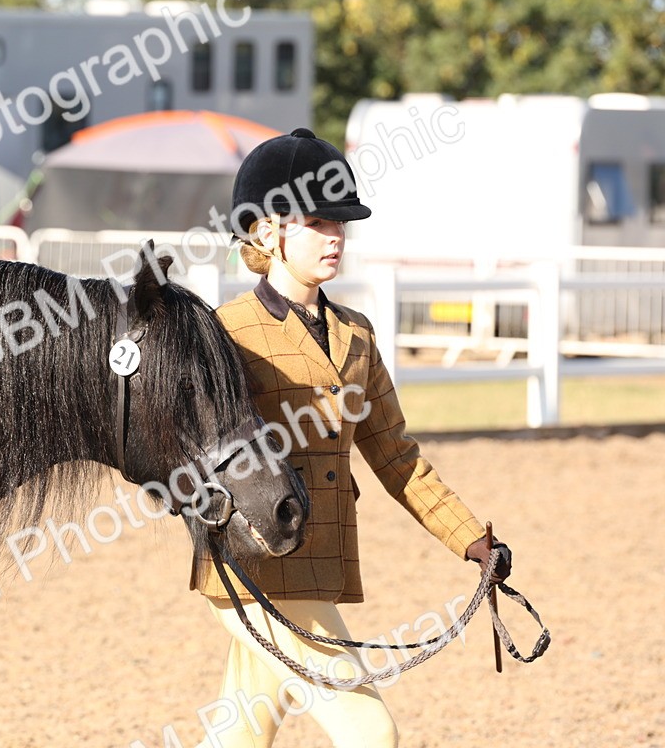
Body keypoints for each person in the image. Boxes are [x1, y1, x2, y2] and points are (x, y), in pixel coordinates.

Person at [189, 128, 512, 748]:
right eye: (317, 223)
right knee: (371, 732)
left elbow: (396, 455)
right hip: (254, 566)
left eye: (342, 224)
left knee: (240, 734)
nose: (336, 237)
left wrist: (472, 538)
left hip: (316, 565)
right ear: (265, 232)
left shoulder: (357, 336)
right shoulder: (226, 334)